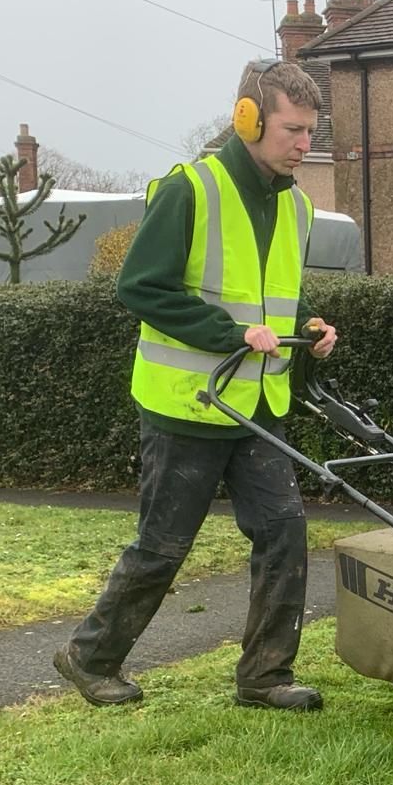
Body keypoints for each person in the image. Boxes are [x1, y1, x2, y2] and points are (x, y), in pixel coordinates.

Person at [54, 59, 338, 712]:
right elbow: (140, 286)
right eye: (293, 130)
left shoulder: (296, 207)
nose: (304, 145)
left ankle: (265, 678)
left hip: (257, 405)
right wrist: (227, 334)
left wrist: (309, 327)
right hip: (188, 404)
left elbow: (275, 300)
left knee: (284, 531)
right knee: (162, 547)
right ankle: (90, 657)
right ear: (248, 119)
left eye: (310, 132)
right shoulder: (193, 190)